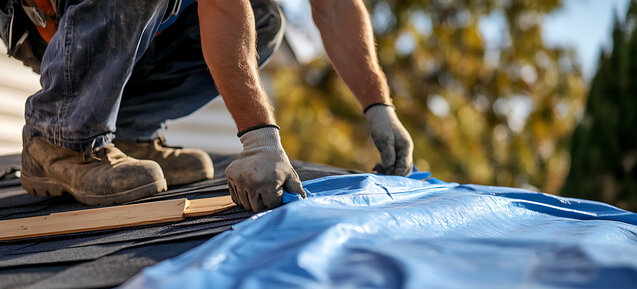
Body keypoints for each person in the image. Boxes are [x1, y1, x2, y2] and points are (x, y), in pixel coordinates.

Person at [3, 0, 414, 212]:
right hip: (51, 20)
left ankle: (126, 130)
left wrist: (379, 106)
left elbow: (338, 7)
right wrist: (259, 139)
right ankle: (62, 137)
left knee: (264, 19)